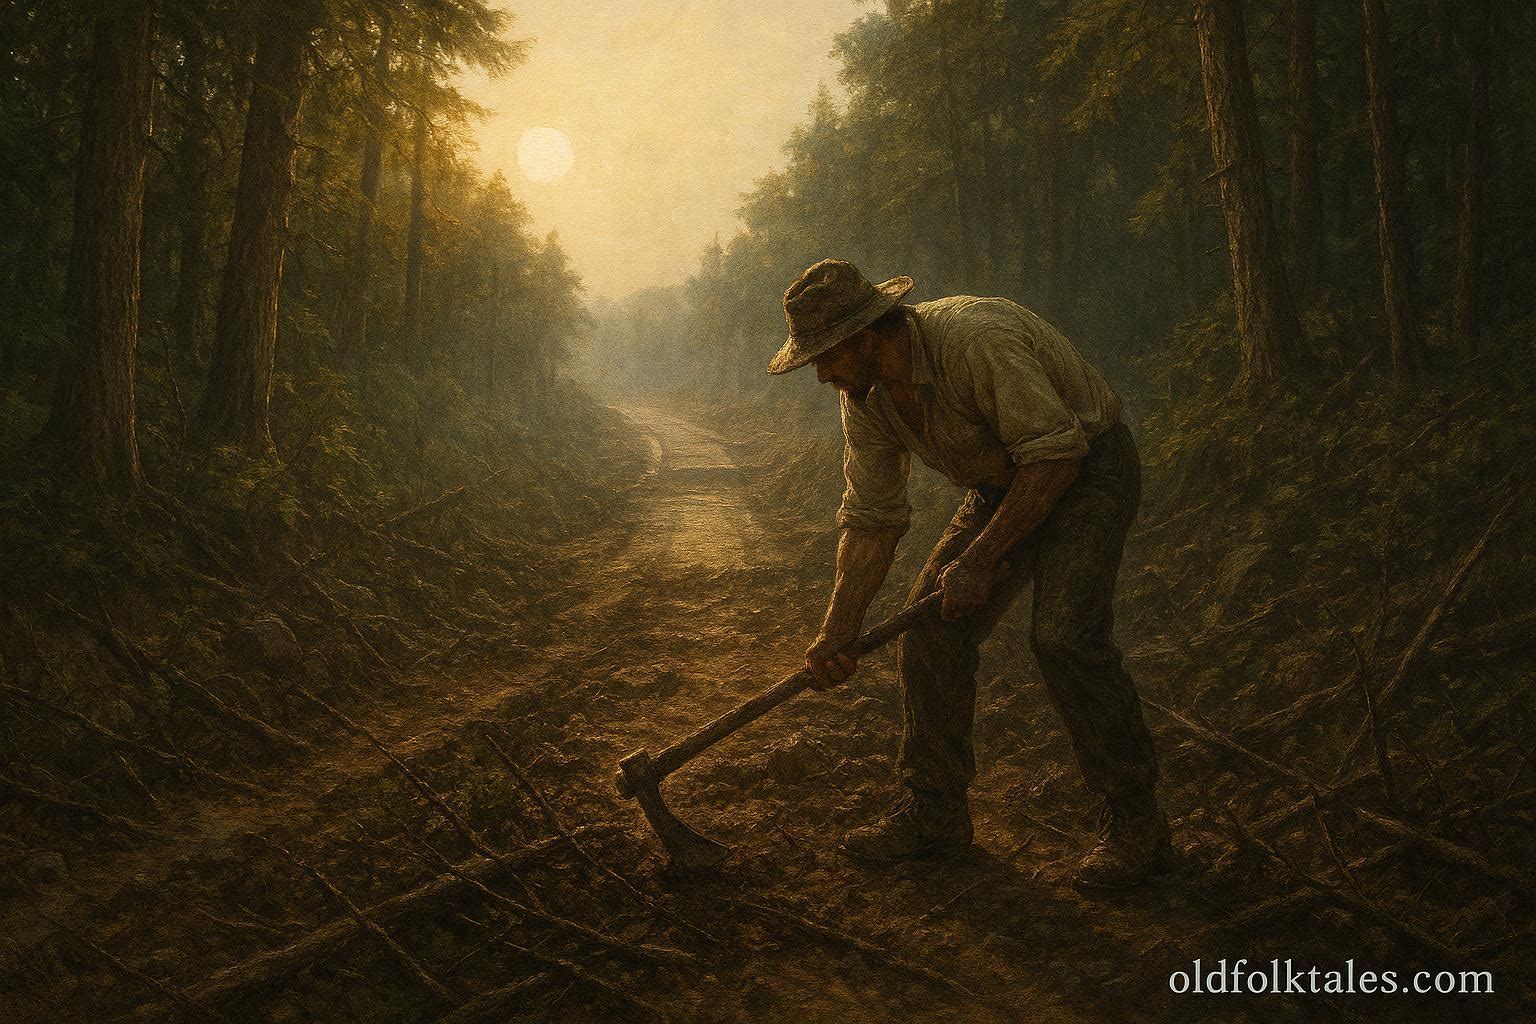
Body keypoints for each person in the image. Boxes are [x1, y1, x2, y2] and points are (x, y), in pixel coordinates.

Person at [767, 258, 1170, 891]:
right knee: (931, 634)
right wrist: (837, 631)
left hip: (1087, 470)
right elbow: (873, 517)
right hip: (997, 487)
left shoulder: (976, 339)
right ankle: (935, 816)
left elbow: (1056, 457)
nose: (821, 373)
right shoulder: (865, 397)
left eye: (827, 356)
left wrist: (980, 560)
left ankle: (1136, 826)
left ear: (868, 335)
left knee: (1064, 638)